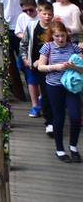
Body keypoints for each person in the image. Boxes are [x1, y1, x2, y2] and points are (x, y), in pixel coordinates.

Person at [34, 20, 83, 163]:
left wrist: (73, 67)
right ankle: (60, 149)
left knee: (75, 117)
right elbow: (40, 67)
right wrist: (56, 67)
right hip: (54, 86)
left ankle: (73, 147)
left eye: (62, 36)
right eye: (57, 36)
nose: (60, 39)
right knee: (59, 117)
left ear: (67, 35)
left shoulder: (74, 48)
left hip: (71, 86)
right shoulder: (47, 47)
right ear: (52, 36)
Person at [18, 0, 53, 120]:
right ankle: (35, 106)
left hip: (49, 63)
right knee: (32, 82)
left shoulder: (54, 28)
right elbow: (24, 44)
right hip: (33, 60)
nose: (47, 17)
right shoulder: (32, 26)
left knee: (46, 85)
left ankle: (44, 103)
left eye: (49, 14)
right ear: (39, 13)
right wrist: (25, 58)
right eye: (44, 14)